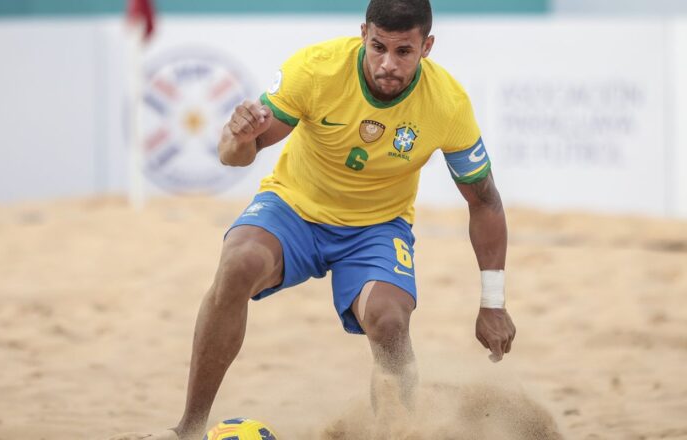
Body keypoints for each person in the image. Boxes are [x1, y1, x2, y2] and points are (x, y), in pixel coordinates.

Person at [114, 0, 515, 438]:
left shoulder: (448, 103)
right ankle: (188, 429)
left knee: (389, 321)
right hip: (295, 209)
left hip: (376, 227)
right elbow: (235, 157)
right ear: (363, 33)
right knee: (238, 264)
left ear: (427, 47)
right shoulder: (316, 69)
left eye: (404, 52)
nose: (387, 64)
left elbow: (485, 202)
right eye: (378, 46)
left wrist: (492, 302)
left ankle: (398, 431)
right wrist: (235, 135)